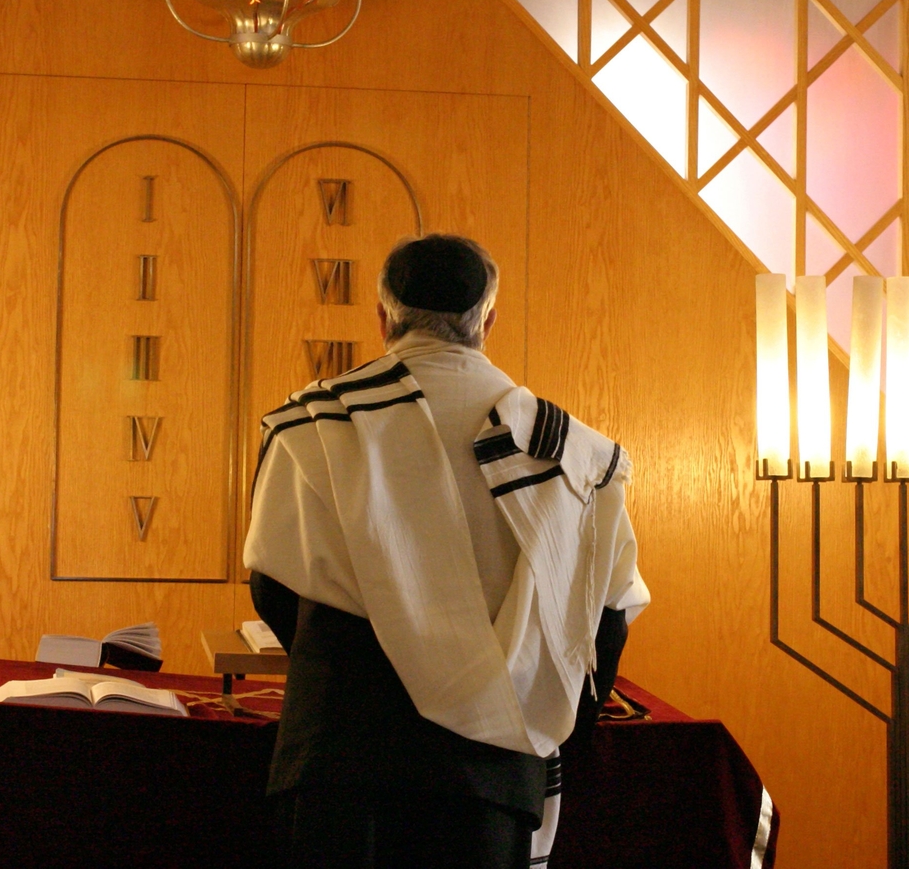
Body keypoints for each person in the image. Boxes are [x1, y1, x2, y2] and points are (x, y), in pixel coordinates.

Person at [244, 234, 650, 869]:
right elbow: (606, 621)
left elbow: (274, 589)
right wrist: (538, 723)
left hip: (341, 756)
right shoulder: (577, 454)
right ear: (488, 319)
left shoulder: (314, 423)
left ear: (383, 318)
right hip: (490, 775)